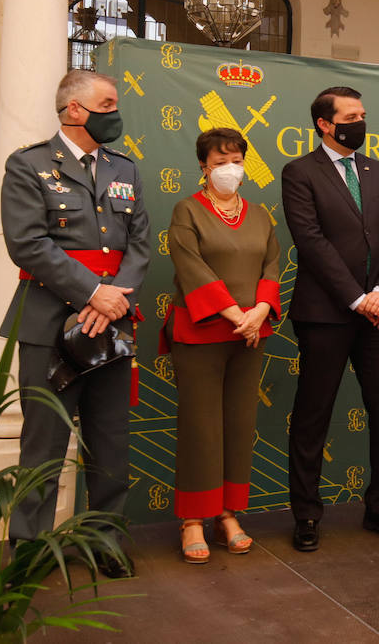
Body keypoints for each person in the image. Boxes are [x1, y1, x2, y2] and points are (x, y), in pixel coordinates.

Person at [0, 70, 150, 578]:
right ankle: (30, 544)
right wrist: (93, 292)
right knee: (43, 441)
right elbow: (28, 243)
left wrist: (111, 299)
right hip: (48, 322)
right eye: (108, 102)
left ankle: (104, 538)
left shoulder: (124, 168)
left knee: (110, 440)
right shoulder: (29, 165)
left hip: (111, 323)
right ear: (75, 110)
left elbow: (139, 245)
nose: (117, 111)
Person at [282, 86, 379, 552]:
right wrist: (355, 298)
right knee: (314, 414)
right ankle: (307, 513)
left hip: (378, 312)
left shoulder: (378, 171)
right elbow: (311, 241)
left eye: (363, 114)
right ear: (325, 124)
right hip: (326, 314)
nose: (361, 122)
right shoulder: (300, 172)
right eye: (352, 116)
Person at [163, 128, 280, 563]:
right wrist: (235, 314)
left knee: (239, 422)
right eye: (220, 162)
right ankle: (193, 518)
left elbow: (272, 262)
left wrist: (260, 312)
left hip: (251, 334)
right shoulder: (187, 210)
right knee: (201, 426)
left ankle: (228, 513)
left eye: (236, 160)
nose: (229, 169)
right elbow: (189, 264)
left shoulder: (260, 213)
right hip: (202, 331)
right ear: (204, 166)